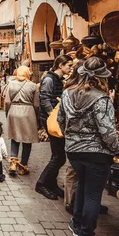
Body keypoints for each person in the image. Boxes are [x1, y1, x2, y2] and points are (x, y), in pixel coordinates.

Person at [60, 57, 119, 236]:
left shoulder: (67, 94)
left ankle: (77, 224)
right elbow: (107, 131)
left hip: (74, 151)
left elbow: (61, 120)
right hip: (96, 153)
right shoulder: (101, 98)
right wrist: (118, 150)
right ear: (101, 77)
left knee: (83, 187)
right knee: (93, 196)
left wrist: (71, 138)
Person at [36, 54, 73, 200]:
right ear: (60, 65)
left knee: (57, 155)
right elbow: (44, 98)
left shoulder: (56, 79)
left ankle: (51, 184)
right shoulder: (50, 79)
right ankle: (42, 184)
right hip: (52, 120)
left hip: (55, 119)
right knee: (59, 156)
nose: (71, 68)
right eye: (69, 65)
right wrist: (53, 116)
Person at [5, 66, 40, 176]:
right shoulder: (33, 86)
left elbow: (7, 102)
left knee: (15, 138)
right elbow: (36, 104)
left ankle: (13, 164)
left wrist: (8, 114)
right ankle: (23, 166)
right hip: (28, 112)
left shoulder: (11, 84)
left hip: (13, 111)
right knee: (27, 140)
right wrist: (37, 118)